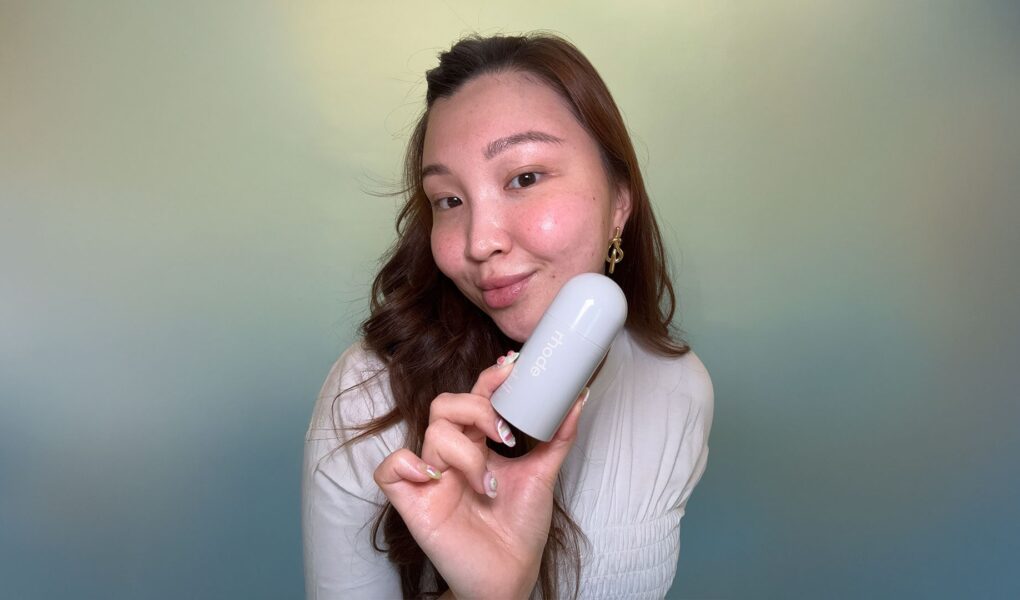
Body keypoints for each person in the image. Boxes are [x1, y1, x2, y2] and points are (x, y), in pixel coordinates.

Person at [302, 33, 714, 599]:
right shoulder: (367, 398)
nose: (479, 243)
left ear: (619, 201)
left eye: (524, 178)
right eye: (449, 200)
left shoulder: (678, 389)